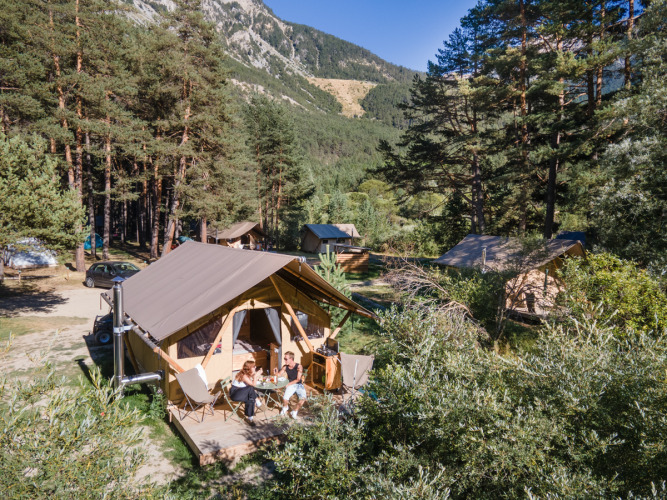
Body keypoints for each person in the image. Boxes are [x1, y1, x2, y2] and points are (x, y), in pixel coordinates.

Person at [230, 360, 263, 426]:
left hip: (241, 392)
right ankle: (258, 402)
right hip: (235, 394)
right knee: (250, 388)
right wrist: (256, 376)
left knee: (250, 398)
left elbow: (253, 382)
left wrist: (256, 375)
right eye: (253, 366)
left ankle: (250, 419)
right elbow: (253, 384)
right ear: (249, 367)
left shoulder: (247, 373)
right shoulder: (243, 375)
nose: (255, 367)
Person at [276, 351, 306, 419]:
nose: (284, 360)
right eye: (284, 358)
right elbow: (278, 375)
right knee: (285, 398)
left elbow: (298, 379)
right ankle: (286, 407)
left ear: (291, 359)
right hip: (291, 385)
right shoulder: (285, 367)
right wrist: (275, 372)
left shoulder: (299, 366)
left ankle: (295, 411)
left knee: (303, 398)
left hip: (298, 384)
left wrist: (288, 384)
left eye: (286, 359)